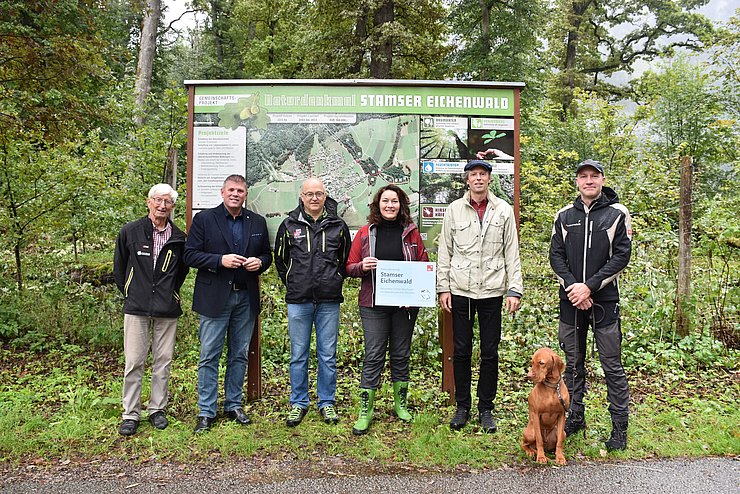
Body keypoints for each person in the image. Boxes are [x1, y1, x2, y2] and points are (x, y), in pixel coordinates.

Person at [549, 159, 632, 451]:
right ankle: (575, 415)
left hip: (604, 301)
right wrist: (575, 288)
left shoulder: (617, 214)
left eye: (593, 176)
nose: (588, 181)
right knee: (572, 364)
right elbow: (555, 256)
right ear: (576, 182)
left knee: (611, 365)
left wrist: (590, 287)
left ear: (602, 179)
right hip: (571, 301)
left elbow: (621, 256)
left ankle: (619, 428)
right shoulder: (564, 215)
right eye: (583, 176)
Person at [437, 159, 523, 432]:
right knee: (461, 351)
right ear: (467, 180)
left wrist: (514, 289)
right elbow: (444, 252)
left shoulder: (503, 210)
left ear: (489, 179)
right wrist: (443, 287)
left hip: (493, 290)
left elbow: (512, 252)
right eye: (473, 174)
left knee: (490, 351)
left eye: (483, 174)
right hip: (460, 290)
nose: (478, 179)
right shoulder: (454, 210)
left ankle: (486, 408)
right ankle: (463, 406)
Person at [184, 174, 272, 433]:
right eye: (231, 190)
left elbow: (266, 254)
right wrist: (219, 260)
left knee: (239, 354)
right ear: (222, 192)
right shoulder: (204, 219)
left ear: (246, 195)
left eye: (241, 191)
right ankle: (206, 411)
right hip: (214, 298)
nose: (236, 194)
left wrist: (261, 263)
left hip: (245, 297)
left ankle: (233, 404)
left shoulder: (256, 222)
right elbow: (189, 255)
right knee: (209, 354)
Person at [345, 185, 429, 435]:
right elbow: (349, 267)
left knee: (401, 355)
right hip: (373, 304)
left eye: (394, 201)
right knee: (373, 355)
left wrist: (419, 288)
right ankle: (365, 411)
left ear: (401, 205)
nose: (390, 205)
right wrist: (362, 266)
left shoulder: (412, 233)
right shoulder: (365, 233)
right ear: (377, 205)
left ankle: (400, 405)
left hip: (404, 306)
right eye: (385, 201)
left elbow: (423, 264)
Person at [113, 184, 189, 436]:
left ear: (173, 206)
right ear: (148, 202)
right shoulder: (130, 232)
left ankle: (157, 409)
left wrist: (171, 293)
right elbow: (120, 267)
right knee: (134, 361)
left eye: (167, 201)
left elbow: (181, 273)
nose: (162, 205)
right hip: (136, 306)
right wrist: (130, 291)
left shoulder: (178, 238)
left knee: (163, 362)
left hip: (167, 307)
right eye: (158, 200)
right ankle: (130, 414)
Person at [274, 178, 351, 427]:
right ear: (302, 196)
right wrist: (293, 282)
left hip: (329, 299)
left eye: (319, 194)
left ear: (325, 195)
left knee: (327, 355)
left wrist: (334, 278)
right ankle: (299, 402)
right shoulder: (288, 225)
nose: (314, 198)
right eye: (310, 194)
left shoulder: (338, 226)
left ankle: (326, 402)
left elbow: (344, 259)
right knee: (298, 354)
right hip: (299, 300)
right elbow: (281, 259)